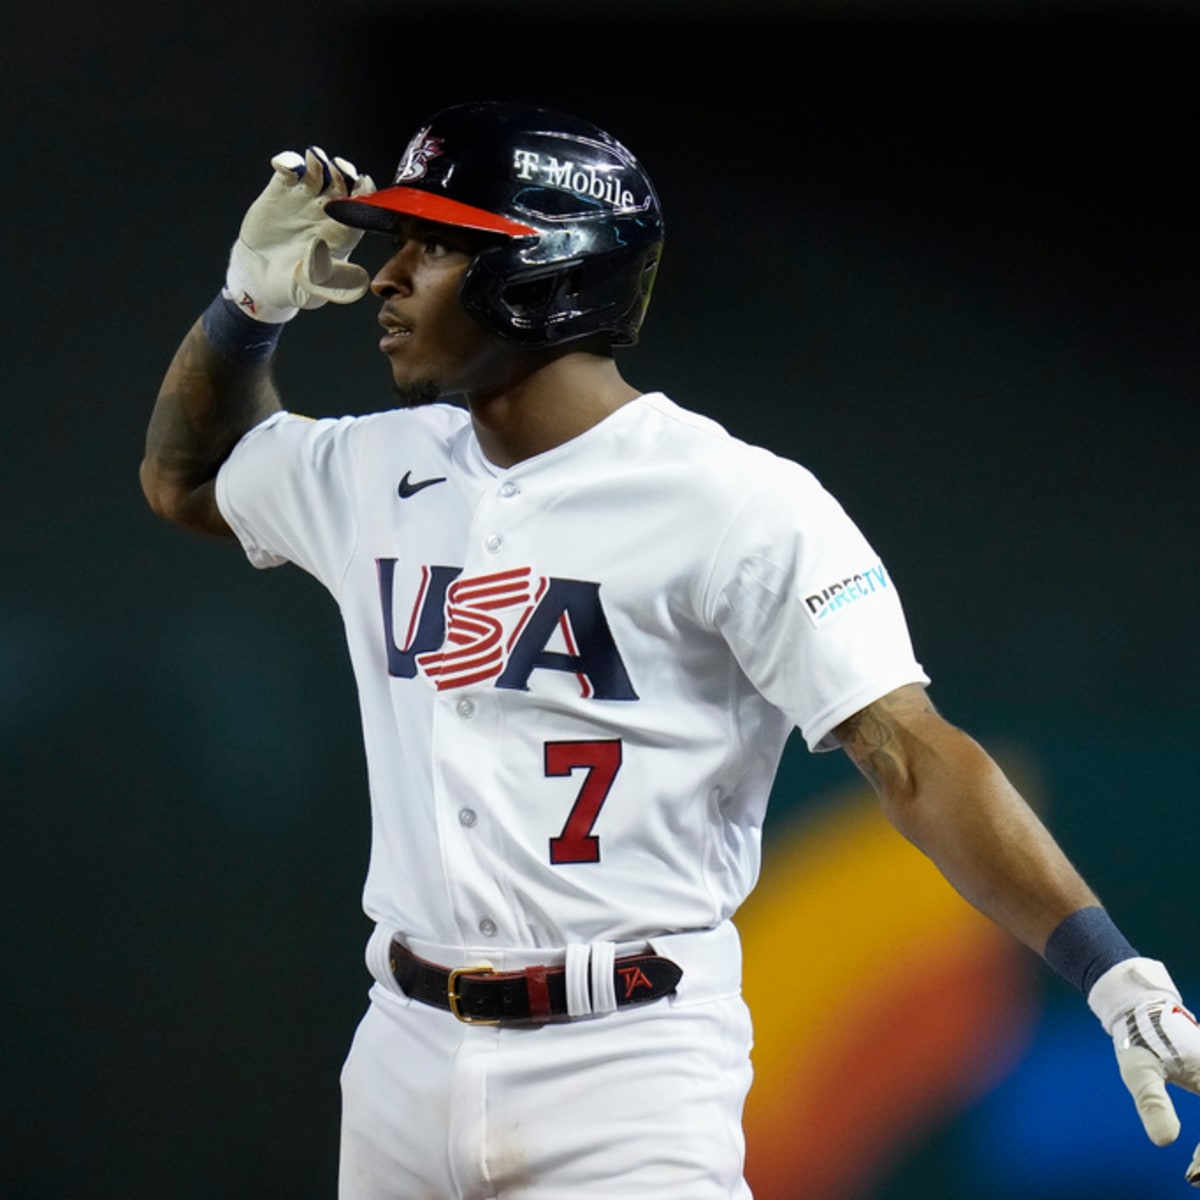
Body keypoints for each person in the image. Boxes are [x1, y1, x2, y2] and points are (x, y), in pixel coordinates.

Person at [140, 100, 1200, 1198]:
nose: (389, 274)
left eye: (439, 245)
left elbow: (915, 754)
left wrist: (1109, 969)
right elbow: (186, 479)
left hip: (629, 1064)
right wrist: (249, 304)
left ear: (545, 273)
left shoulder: (736, 502)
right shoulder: (374, 467)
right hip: (403, 1049)